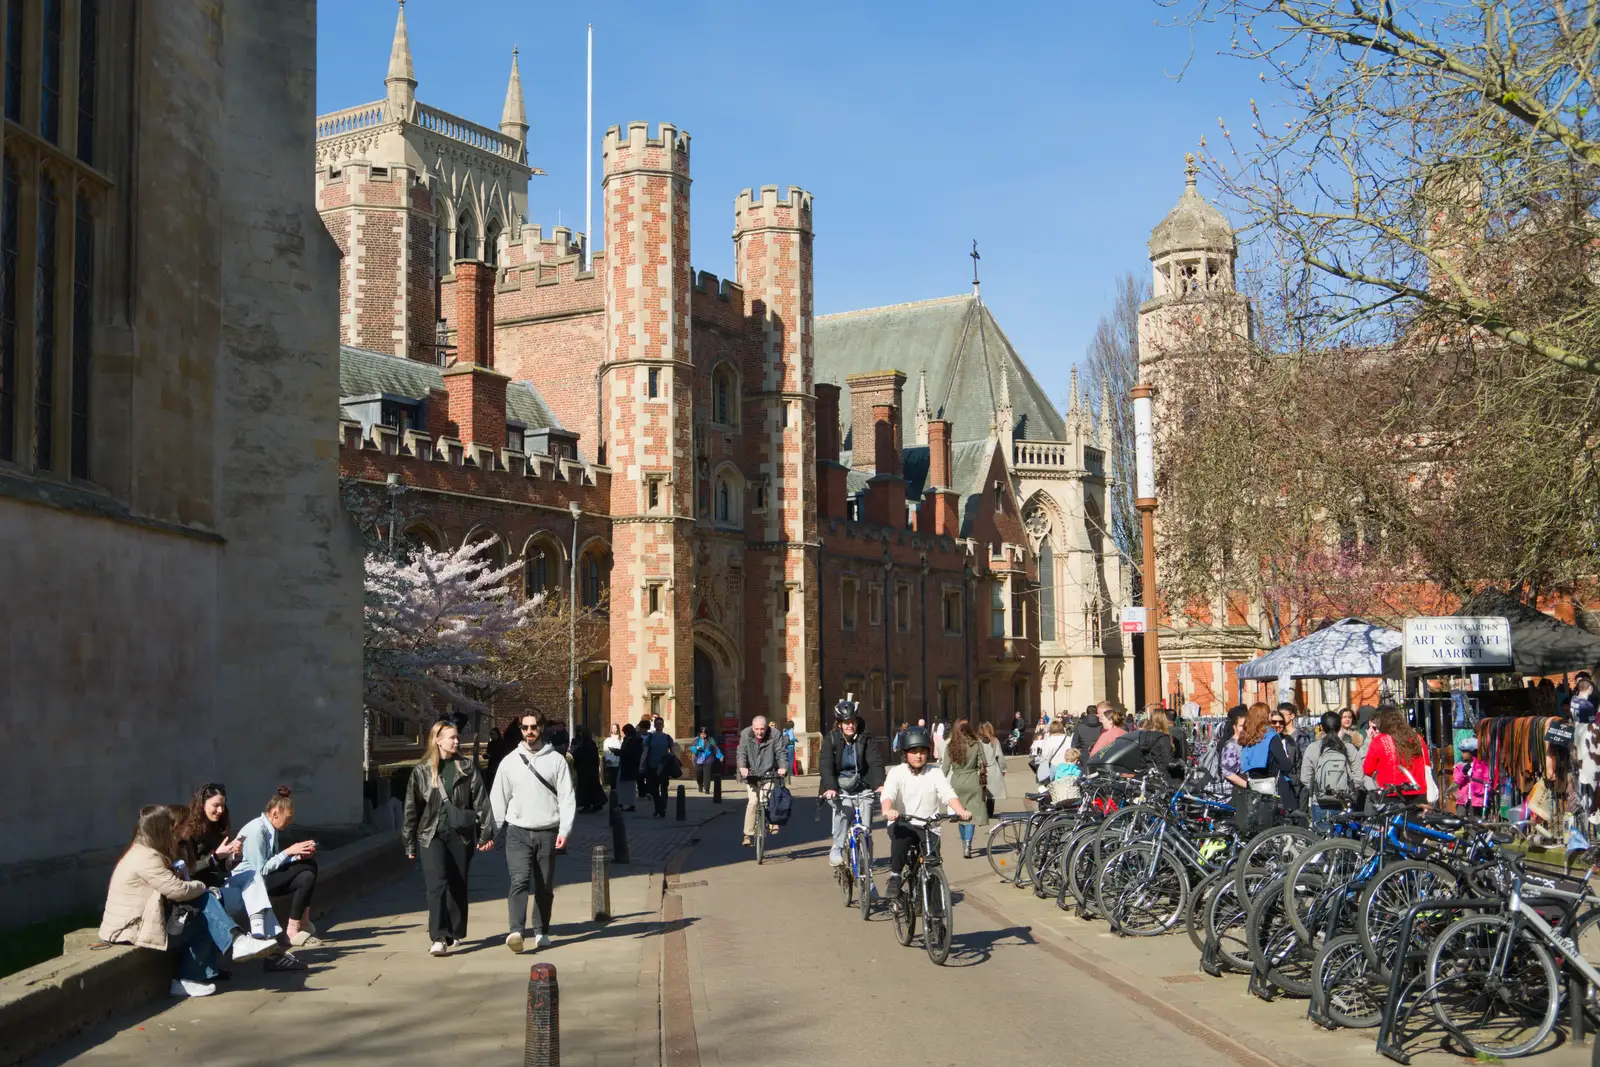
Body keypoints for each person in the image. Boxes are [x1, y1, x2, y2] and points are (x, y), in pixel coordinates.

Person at [100, 805, 277, 998]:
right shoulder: (146, 857)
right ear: (161, 829)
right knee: (205, 906)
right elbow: (177, 890)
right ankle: (228, 948)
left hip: (140, 923)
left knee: (206, 913)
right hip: (131, 930)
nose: (174, 831)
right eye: (171, 827)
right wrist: (201, 886)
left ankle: (204, 968)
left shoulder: (146, 851)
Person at [402, 720, 495, 956]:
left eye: (456, 737)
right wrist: (409, 841)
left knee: (457, 883)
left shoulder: (466, 767)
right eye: (451, 737)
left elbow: (481, 801)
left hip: (460, 835)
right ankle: (439, 936)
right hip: (431, 834)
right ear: (437, 740)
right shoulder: (422, 771)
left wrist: (486, 833)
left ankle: (454, 931)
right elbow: (411, 810)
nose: (456, 741)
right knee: (437, 883)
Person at [492, 712, 576, 953]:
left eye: (534, 727)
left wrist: (565, 829)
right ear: (520, 729)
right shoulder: (509, 761)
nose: (529, 731)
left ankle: (541, 930)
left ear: (541, 728)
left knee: (544, 885)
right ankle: (516, 931)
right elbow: (499, 799)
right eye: (525, 727)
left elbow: (567, 798)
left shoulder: (556, 761)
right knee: (518, 881)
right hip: (517, 832)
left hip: (547, 831)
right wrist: (491, 832)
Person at [880, 727, 972, 903]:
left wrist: (960, 810)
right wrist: (888, 809)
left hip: (928, 826)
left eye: (922, 751)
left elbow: (948, 793)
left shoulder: (934, 772)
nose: (918, 756)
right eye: (913, 752)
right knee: (901, 839)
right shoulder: (897, 772)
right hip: (903, 822)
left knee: (934, 864)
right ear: (905, 753)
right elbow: (888, 794)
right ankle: (895, 876)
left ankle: (936, 916)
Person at [234, 786, 321, 954]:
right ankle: (299, 924)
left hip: (264, 877)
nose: (289, 823)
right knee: (307, 868)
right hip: (252, 884)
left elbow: (273, 861)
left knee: (308, 872)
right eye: (287, 818)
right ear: (275, 813)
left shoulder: (271, 828)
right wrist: (288, 852)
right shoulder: (257, 830)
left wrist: (296, 856)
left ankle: (295, 926)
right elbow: (261, 870)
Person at [818, 698, 885, 870]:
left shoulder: (865, 739)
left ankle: (866, 856)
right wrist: (830, 788)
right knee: (844, 808)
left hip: (861, 784)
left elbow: (875, 761)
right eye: (846, 722)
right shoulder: (831, 740)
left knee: (867, 812)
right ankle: (837, 848)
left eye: (852, 722)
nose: (850, 726)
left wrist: (879, 784)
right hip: (839, 786)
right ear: (839, 724)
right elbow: (826, 765)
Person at [1229, 703, 1296, 833]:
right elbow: (1285, 764)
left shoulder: (1247, 737)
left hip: (1253, 789)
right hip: (1273, 788)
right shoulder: (1270, 736)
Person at [178, 782, 244, 890]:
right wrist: (215, 857)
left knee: (252, 877)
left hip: (219, 883)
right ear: (202, 804)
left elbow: (224, 867)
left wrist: (235, 855)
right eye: (216, 805)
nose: (220, 810)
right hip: (198, 888)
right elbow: (188, 869)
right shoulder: (189, 830)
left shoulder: (219, 826)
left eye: (222, 805)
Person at [1300, 711, 1359, 829]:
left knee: (1321, 844)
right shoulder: (1349, 748)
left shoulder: (1313, 748)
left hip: (1320, 803)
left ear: (1321, 727)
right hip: (1344, 802)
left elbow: (1305, 778)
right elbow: (1358, 777)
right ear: (1339, 727)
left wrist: (1318, 790)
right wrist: (1349, 791)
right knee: (1344, 843)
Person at [735, 714, 787, 847]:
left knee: (768, 799)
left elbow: (780, 752)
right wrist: (742, 767)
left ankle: (771, 823)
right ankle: (748, 834)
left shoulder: (775, 735)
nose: (759, 732)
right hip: (751, 774)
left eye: (762, 729)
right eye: (756, 729)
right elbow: (741, 752)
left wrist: (782, 767)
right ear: (752, 728)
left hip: (769, 772)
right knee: (753, 802)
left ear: (766, 727)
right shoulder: (746, 734)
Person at [940, 720, 989, 858]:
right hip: (972, 779)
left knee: (960, 814)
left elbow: (944, 768)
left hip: (956, 781)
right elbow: (983, 762)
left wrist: (939, 785)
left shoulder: (951, 746)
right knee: (970, 814)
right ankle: (968, 844)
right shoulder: (976, 744)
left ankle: (964, 844)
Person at [1362, 705, 1430, 804]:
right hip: (1418, 793)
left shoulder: (1380, 740)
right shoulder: (1417, 738)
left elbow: (1368, 769)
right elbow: (1426, 764)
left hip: (1391, 794)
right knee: (1416, 819)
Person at [640, 718, 677, 818]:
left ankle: (662, 808)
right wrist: (641, 765)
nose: (659, 725)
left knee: (664, 789)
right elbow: (645, 752)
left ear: (663, 725)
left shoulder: (667, 737)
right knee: (654, 790)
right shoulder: (650, 738)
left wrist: (671, 760)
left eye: (661, 724)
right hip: (652, 767)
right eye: (657, 724)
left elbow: (673, 752)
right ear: (655, 725)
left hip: (664, 767)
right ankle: (658, 808)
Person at [570, 726, 608, 812]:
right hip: (588, 770)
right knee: (592, 787)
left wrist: (574, 753)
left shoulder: (586, 744)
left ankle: (588, 804)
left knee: (586, 788)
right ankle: (596, 803)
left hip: (586, 770)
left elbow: (582, 756)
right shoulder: (590, 744)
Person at [1452, 736, 1493, 816]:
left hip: (1476, 800)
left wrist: (1485, 794)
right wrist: (1463, 772)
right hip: (1462, 799)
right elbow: (1457, 780)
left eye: (1464, 751)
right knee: (1461, 819)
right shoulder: (1459, 765)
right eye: (1461, 751)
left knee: (1474, 822)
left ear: (1472, 752)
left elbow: (1487, 781)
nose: (1462, 753)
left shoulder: (1482, 766)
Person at [977, 721, 1009, 814]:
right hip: (992, 769)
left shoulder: (977, 742)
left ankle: (982, 810)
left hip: (981, 769)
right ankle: (990, 811)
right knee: (991, 793)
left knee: (981, 790)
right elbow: (1000, 756)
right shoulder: (995, 741)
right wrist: (1003, 769)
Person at [1034, 719, 1071, 785]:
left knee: (1054, 788)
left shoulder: (1049, 740)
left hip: (1055, 766)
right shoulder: (1069, 739)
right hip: (1068, 766)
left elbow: (1045, 756)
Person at [616, 722, 642, 811]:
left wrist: (619, 752)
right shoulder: (628, 740)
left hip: (630, 766)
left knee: (630, 786)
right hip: (626, 765)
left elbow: (630, 753)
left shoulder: (634, 741)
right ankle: (622, 802)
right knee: (622, 786)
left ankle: (630, 804)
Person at [691, 726, 723, 794]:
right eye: (702, 734)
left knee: (707, 775)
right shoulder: (696, 740)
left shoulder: (711, 739)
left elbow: (715, 748)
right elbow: (692, 748)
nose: (703, 735)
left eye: (705, 734)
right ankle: (700, 785)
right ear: (699, 734)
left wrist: (720, 756)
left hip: (708, 759)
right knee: (699, 774)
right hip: (698, 759)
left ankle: (707, 789)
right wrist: (696, 748)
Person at [602, 724, 624, 790]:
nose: (614, 729)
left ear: (618, 729)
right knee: (612, 779)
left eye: (615, 728)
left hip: (618, 761)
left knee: (617, 778)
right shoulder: (608, 739)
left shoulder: (621, 739)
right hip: (610, 761)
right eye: (613, 728)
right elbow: (606, 749)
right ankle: (613, 793)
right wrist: (607, 759)